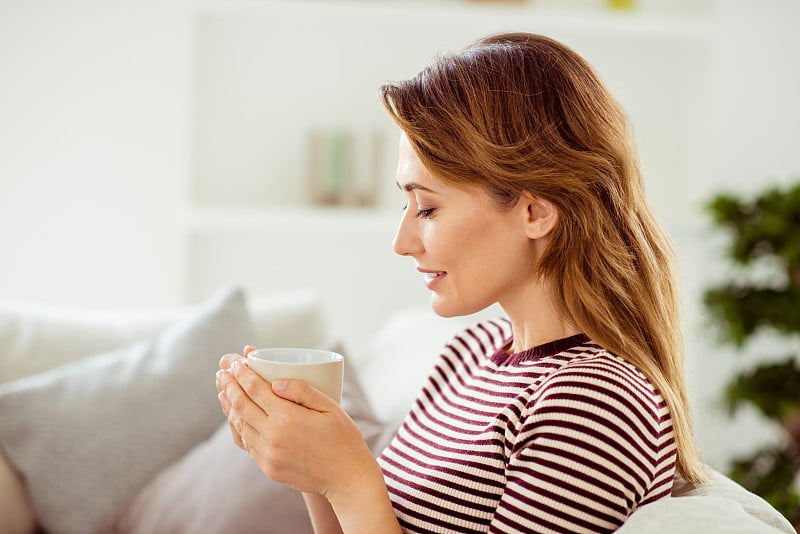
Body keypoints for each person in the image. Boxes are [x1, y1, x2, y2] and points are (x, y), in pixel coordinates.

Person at [215, 32, 707, 533]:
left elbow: (359, 495)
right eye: (405, 205)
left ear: (535, 211)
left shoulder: (595, 406)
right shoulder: (469, 353)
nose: (402, 241)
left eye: (427, 207)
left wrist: (347, 477)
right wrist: (312, 468)